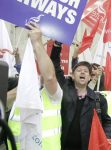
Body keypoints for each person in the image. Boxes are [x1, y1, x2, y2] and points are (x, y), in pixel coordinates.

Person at [7, 22, 63, 150]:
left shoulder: (55, 96)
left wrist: (37, 42)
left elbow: (49, 77)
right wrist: (22, 89)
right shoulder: (18, 94)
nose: (42, 72)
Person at [50, 40, 111, 149]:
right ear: (73, 76)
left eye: (86, 71)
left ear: (90, 77)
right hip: (63, 146)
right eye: (79, 70)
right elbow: (55, 66)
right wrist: (57, 46)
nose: (83, 72)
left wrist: (107, 137)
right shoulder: (64, 88)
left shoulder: (98, 99)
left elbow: (107, 122)